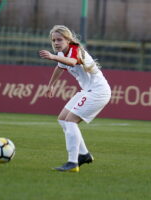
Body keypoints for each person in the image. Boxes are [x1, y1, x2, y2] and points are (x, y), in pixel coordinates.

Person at [39, 25, 111, 172]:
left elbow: (71, 62)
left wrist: (52, 56)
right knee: (62, 119)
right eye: (53, 40)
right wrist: (51, 85)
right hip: (88, 91)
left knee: (71, 120)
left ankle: (72, 162)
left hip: (98, 92)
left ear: (68, 39)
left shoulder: (74, 49)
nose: (56, 43)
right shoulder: (61, 53)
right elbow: (60, 67)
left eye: (59, 39)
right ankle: (84, 155)